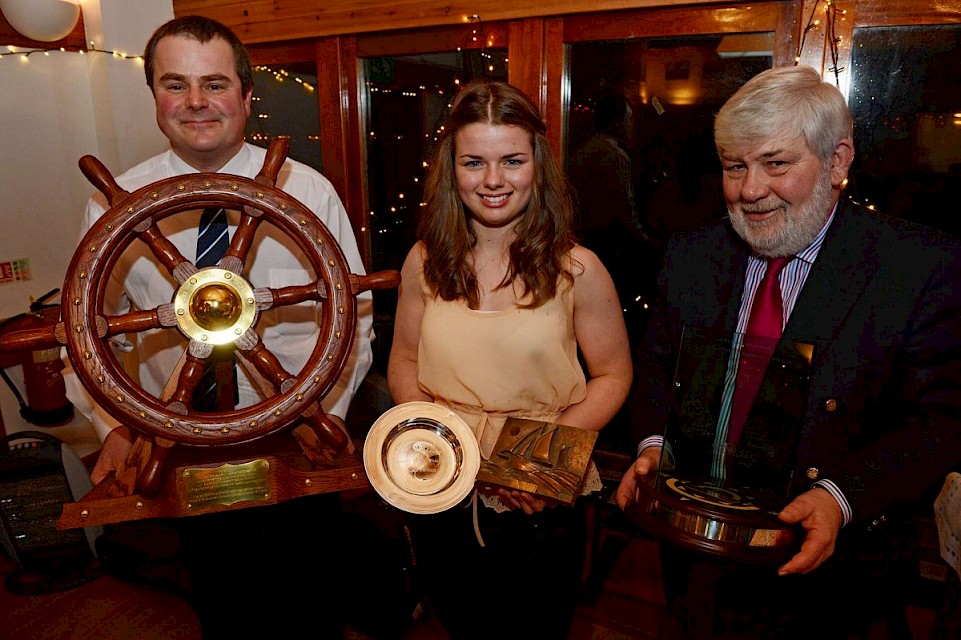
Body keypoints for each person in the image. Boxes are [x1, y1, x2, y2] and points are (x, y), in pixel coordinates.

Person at [616, 64, 961, 639]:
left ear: (839, 161)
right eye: (735, 167)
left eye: (776, 163)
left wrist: (840, 497)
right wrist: (656, 447)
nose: (750, 190)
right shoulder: (691, 254)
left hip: (838, 581)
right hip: (698, 563)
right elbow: (656, 365)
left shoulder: (918, 268)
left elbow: (942, 418)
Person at [62, 16, 374, 638]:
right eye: (175, 84)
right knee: (221, 602)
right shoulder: (115, 202)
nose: (197, 102)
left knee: (311, 600)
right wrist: (114, 425)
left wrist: (323, 414)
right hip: (178, 444)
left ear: (246, 95)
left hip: (295, 436)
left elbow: (354, 320)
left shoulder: (307, 189)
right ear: (154, 97)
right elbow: (85, 331)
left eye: (215, 83)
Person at [387, 80, 632, 639]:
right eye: (474, 162)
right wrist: (439, 442)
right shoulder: (423, 262)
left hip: (536, 496)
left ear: (537, 165)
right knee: (460, 620)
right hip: (440, 485)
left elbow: (614, 376)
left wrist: (533, 461)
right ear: (452, 168)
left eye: (512, 161)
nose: (493, 181)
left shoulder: (579, 269)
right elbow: (402, 362)